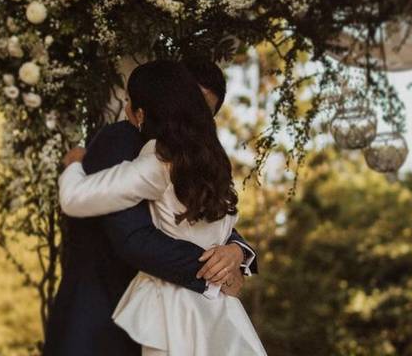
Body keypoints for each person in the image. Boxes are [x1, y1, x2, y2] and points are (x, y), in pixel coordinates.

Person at [42, 59, 257, 355]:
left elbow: (209, 218)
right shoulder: (125, 141)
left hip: (178, 313)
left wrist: (237, 252)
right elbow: (134, 239)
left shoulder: (188, 156)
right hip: (108, 319)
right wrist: (214, 275)